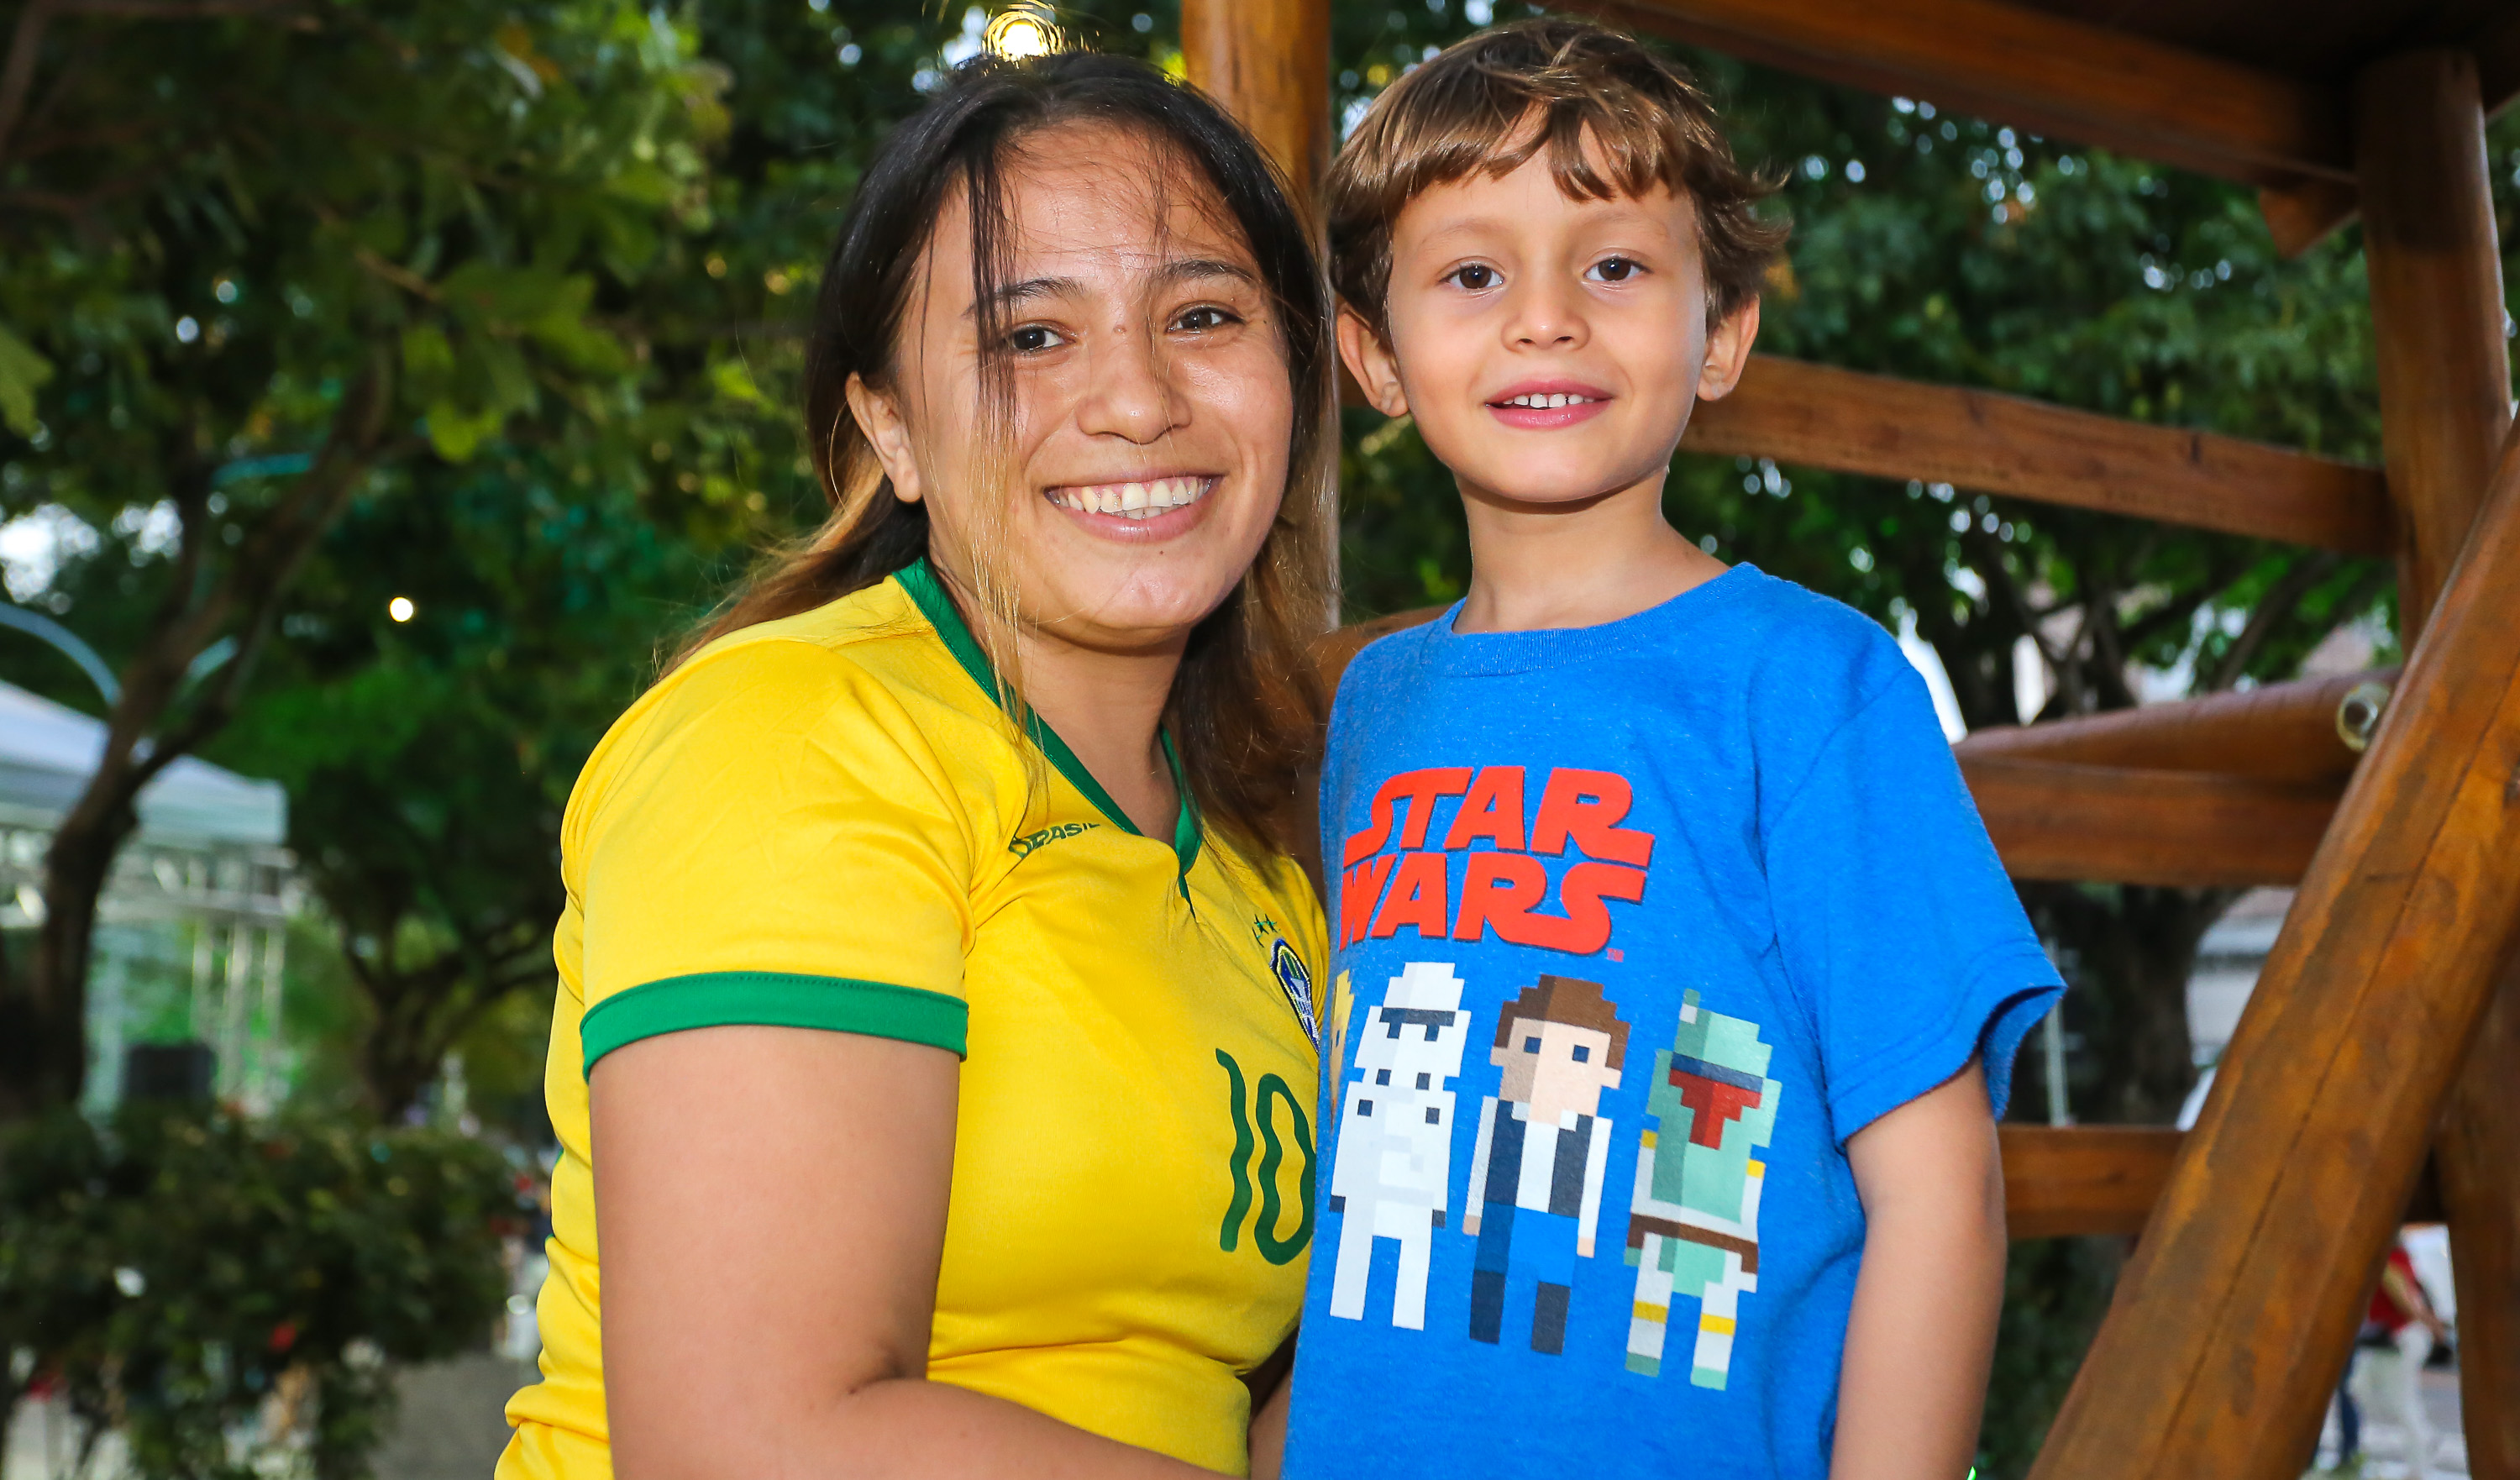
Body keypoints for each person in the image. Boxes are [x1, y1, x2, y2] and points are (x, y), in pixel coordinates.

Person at [497, 49, 1340, 1480]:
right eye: (1030, 338)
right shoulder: (790, 741)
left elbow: (1229, 1383)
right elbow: (750, 1441)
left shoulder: (1268, 850)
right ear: (888, 423)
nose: (1137, 399)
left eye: (1202, 314)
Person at [1266, 21, 2064, 1480]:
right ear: (1373, 353)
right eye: (1471, 273)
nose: (1547, 317)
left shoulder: (1815, 687)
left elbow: (1943, 1197)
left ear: (1726, 332)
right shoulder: (1367, 707)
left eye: (1616, 265)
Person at [2351, 1235, 2451, 1474]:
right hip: (2392, 1339)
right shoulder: (2401, 1259)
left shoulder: (2389, 1261)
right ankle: (2425, 1437)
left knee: (2401, 1400)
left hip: (2400, 1337)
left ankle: (2420, 1461)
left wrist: (2432, 1325)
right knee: (2361, 1387)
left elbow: (2407, 1302)